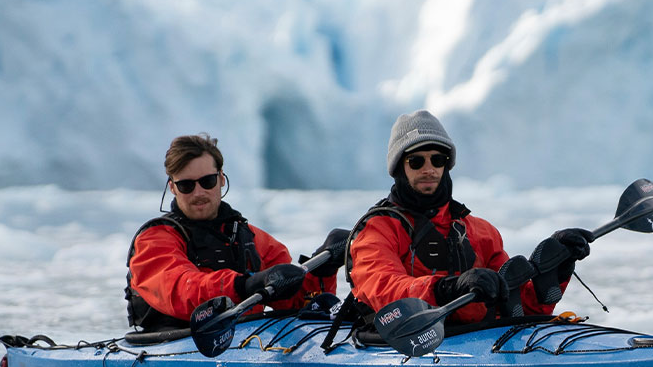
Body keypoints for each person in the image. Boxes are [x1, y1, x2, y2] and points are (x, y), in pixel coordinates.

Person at [346, 110, 593, 326]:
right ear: (400, 168)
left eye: (438, 159)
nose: (429, 169)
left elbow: (519, 310)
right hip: (408, 340)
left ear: (447, 165)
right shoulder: (376, 230)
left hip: (476, 343)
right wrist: (446, 289)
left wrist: (555, 272)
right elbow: (382, 288)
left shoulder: (482, 233)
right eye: (416, 161)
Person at [125, 133, 345, 332]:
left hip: (243, 346)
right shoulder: (154, 240)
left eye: (207, 181)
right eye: (186, 186)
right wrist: (244, 285)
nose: (199, 193)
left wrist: (323, 268)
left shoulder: (252, 239)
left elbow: (299, 303)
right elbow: (180, 289)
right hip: (172, 346)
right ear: (172, 188)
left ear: (221, 178)